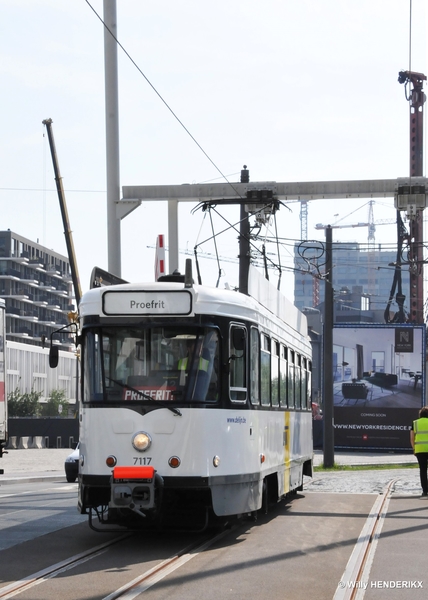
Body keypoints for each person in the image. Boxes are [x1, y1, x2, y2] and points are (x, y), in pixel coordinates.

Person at [410, 406, 428, 497]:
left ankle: (425, 491)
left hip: (420, 449)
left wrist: (414, 448)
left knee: (423, 470)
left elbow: (412, 438)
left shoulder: (415, 423)